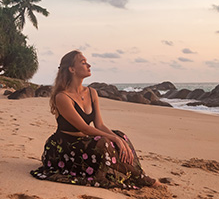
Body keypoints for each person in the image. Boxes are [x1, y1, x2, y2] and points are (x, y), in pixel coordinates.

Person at [30, 50, 156, 189]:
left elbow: (99, 125)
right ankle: (143, 179)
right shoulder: (62, 97)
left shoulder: (92, 92)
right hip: (65, 147)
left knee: (121, 135)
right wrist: (113, 139)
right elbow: (84, 128)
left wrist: (118, 138)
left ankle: (138, 174)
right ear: (72, 69)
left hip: (85, 142)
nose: (89, 65)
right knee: (105, 142)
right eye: (83, 63)